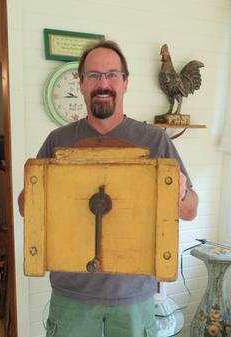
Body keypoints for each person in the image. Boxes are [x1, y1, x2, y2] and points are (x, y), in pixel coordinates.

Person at [18, 40, 198, 337]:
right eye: (94, 75)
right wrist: (35, 191)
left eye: (112, 74)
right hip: (71, 296)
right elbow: (26, 208)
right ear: (82, 83)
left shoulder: (155, 141)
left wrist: (179, 192)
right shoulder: (57, 141)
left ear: (125, 83)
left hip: (134, 298)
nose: (103, 83)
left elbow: (191, 211)